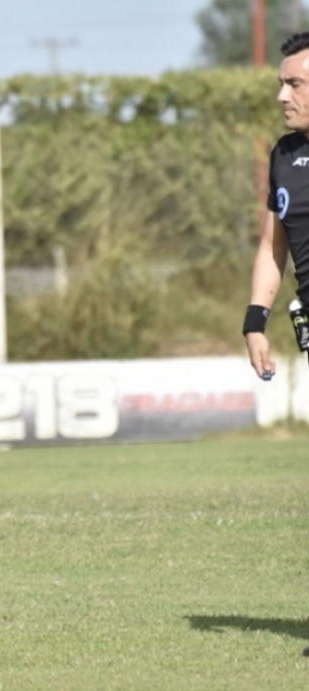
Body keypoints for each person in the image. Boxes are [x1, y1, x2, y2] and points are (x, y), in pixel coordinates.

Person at [243, 34, 309, 659]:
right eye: (283, 81)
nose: (281, 93)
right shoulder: (285, 155)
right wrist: (255, 317)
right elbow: (273, 247)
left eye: (295, 83)